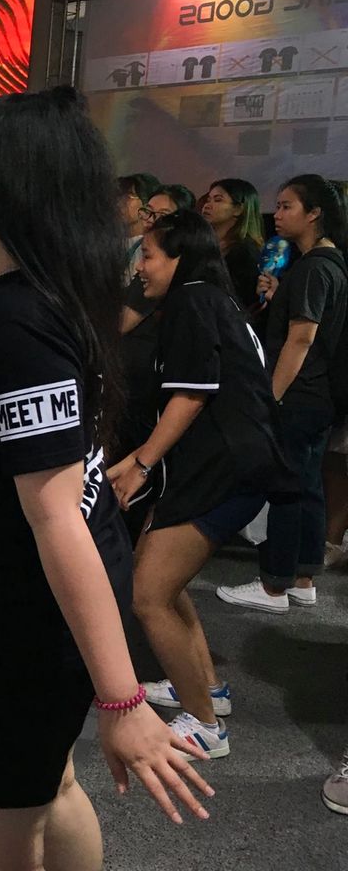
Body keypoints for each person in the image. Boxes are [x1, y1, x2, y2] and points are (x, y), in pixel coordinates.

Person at [0, 0, 212, 867]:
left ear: (0, 186)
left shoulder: (17, 322)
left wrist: (122, 700)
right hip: (20, 601)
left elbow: (54, 519)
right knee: (47, 786)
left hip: (22, 616)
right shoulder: (31, 281)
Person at [108, 211, 288, 758]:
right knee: (162, 578)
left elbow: (191, 395)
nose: (140, 267)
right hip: (229, 464)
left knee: (148, 594)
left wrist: (141, 463)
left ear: (179, 258)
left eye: (149, 255)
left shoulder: (192, 300)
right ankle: (207, 689)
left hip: (222, 468)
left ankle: (205, 724)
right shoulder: (212, 299)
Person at [218, 174, 348, 612]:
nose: (277, 214)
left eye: (288, 205)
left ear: (315, 214)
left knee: (287, 488)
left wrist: (271, 397)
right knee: (306, 486)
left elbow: (301, 339)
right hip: (318, 397)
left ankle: (274, 585)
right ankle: (303, 579)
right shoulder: (328, 263)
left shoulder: (313, 267)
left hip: (298, 395)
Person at [201, 179, 264, 311]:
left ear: (238, 209)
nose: (207, 205)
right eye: (208, 200)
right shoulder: (203, 244)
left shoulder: (245, 251)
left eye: (218, 200)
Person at [118, 173, 161, 283]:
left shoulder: (153, 246)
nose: (120, 202)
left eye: (128, 196)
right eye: (119, 196)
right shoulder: (113, 243)